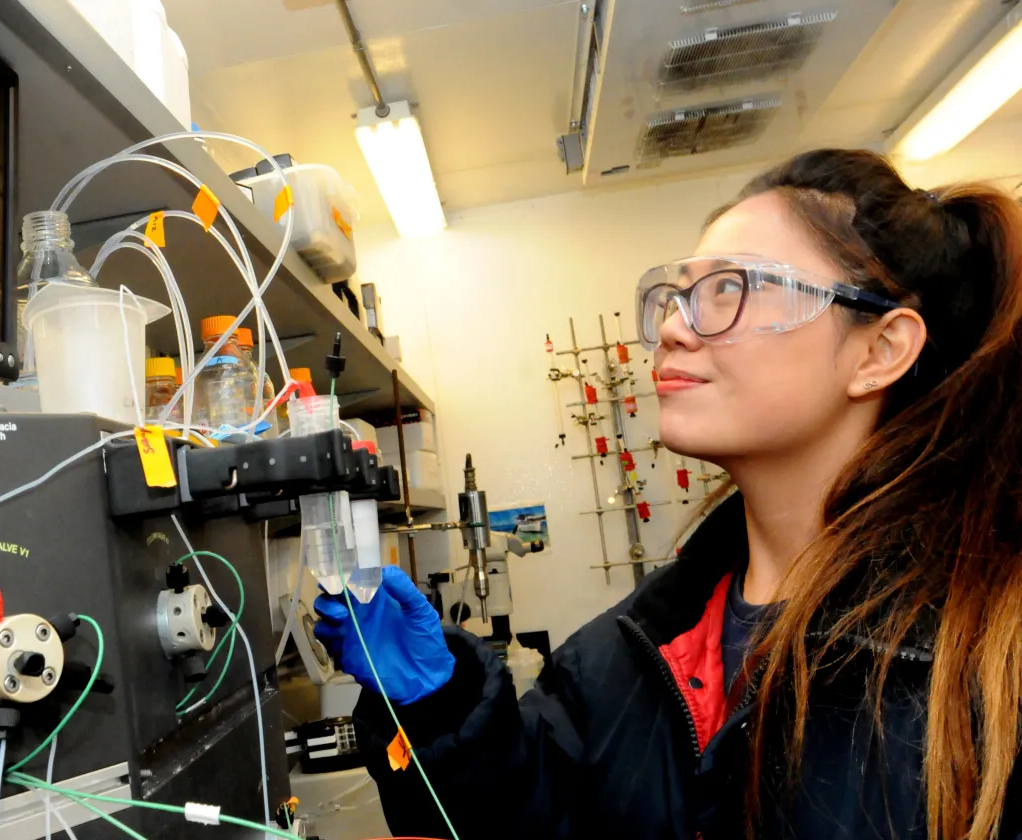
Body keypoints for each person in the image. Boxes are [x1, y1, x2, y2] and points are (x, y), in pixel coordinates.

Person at [314, 149, 1022, 840]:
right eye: (680, 296)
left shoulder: (986, 657)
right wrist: (436, 707)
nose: (675, 328)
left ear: (879, 351)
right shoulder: (625, 656)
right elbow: (533, 816)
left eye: (731, 288)